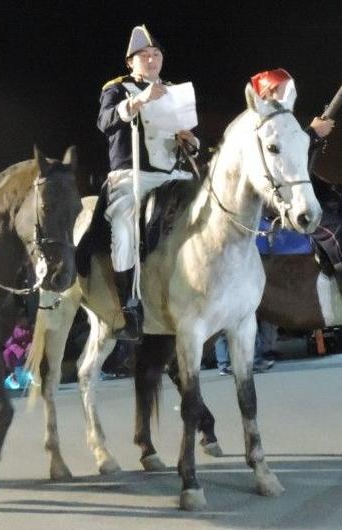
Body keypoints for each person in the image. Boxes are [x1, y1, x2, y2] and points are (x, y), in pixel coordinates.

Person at [250, 69, 342, 329]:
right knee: (333, 231)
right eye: (279, 88)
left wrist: (330, 185)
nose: (286, 92)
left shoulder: (285, 121)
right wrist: (313, 134)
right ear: (267, 93)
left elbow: (299, 169)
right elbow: (280, 168)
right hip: (276, 202)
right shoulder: (261, 123)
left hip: (293, 195)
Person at [97, 25, 200, 341]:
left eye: (156, 54)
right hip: (133, 175)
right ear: (131, 62)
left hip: (175, 174)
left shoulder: (173, 90)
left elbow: (188, 136)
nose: (152, 60)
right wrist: (139, 100)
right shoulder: (117, 88)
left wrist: (191, 141)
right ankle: (129, 306)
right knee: (125, 229)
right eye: (144, 55)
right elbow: (105, 122)